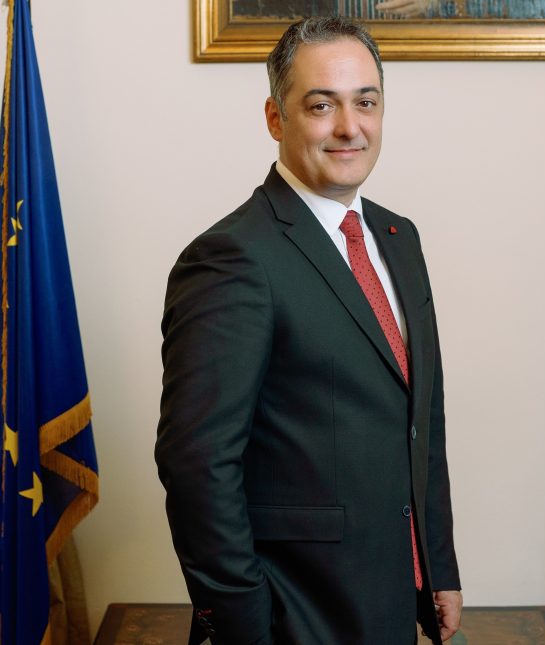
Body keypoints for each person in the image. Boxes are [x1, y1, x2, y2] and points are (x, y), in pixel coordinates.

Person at [155, 16, 461, 645]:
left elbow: (420, 421)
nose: (350, 127)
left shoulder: (398, 238)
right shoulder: (233, 257)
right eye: (322, 105)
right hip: (294, 612)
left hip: (394, 594)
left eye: (366, 102)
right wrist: (245, 624)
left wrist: (437, 567)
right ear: (276, 118)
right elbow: (198, 465)